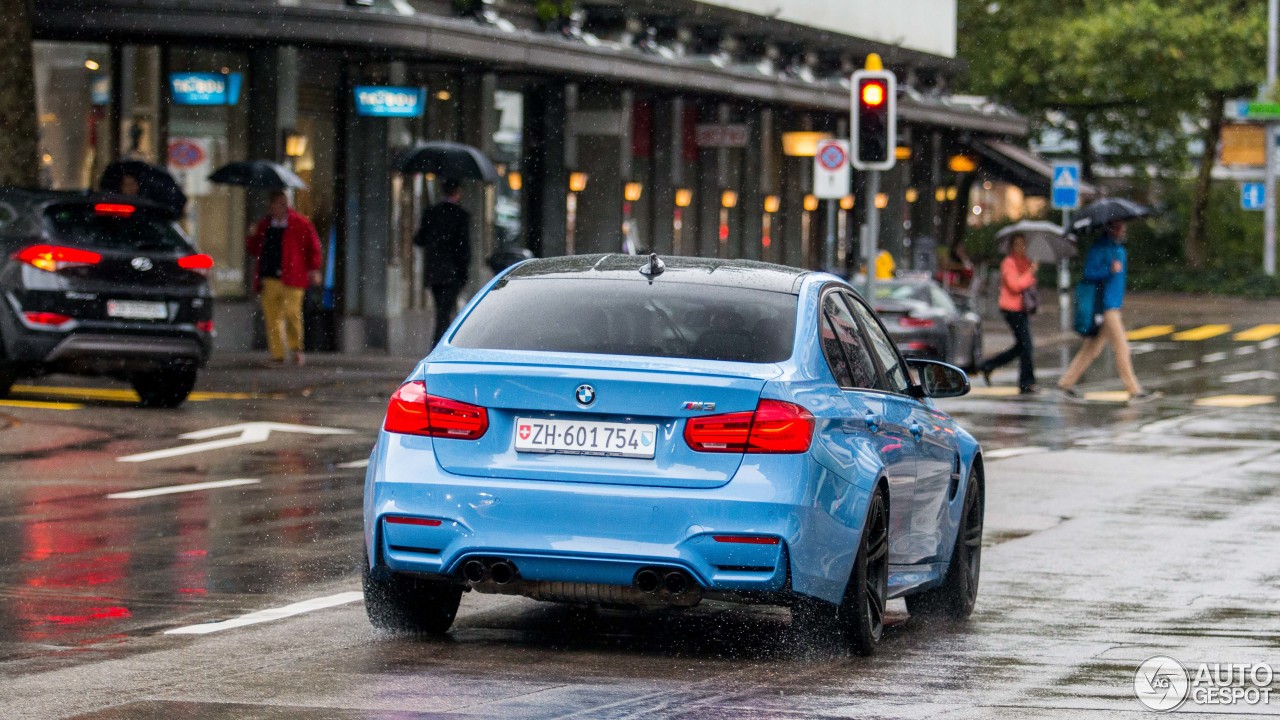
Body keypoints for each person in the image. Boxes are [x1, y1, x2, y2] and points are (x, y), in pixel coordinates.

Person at [1057, 219, 1157, 403]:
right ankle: (1134, 390)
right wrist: (1108, 269)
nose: (1123, 230)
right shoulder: (1100, 249)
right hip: (1105, 305)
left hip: (1113, 304)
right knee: (1121, 347)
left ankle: (1066, 383)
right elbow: (1089, 274)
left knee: (1092, 348)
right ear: (1110, 229)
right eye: (1119, 227)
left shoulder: (1118, 249)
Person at [246, 191, 322, 366]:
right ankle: (277, 353)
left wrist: (314, 269)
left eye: (283, 204)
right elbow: (254, 249)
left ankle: (296, 349)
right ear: (271, 206)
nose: (280, 208)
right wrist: (251, 235)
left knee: (292, 313)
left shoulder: (300, 223)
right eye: (277, 204)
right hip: (270, 276)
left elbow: (313, 247)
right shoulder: (265, 225)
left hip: (293, 276)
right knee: (272, 316)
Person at [977, 234, 1038, 394]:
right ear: (1011, 247)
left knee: (1021, 346)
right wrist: (1030, 273)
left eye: (1023, 244)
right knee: (1026, 346)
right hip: (1011, 309)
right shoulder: (1008, 263)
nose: (1021, 248)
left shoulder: (1025, 262)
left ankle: (989, 365)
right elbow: (1015, 286)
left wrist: (1030, 271)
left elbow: (1028, 285)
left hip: (1022, 309)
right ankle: (1026, 382)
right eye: (1017, 244)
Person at [414, 178, 472, 345]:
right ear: (457, 192)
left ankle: (438, 344)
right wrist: (463, 273)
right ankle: (439, 345)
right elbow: (464, 249)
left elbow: (419, 239)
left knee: (441, 310)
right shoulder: (461, 216)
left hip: (435, 272)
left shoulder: (431, 213)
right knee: (445, 312)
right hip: (452, 272)